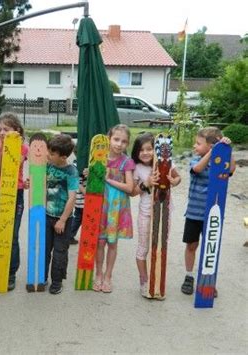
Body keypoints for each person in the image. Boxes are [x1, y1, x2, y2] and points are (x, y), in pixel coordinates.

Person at [180, 127, 235, 296]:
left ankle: (207, 279)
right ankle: (189, 276)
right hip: (194, 213)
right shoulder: (195, 160)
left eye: (198, 143)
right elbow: (197, 169)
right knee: (192, 245)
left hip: (213, 215)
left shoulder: (219, 163)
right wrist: (212, 152)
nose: (194, 146)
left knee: (209, 247)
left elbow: (231, 169)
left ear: (210, 145)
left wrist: (227, 150)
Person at [131, 132, 181, 297]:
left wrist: (175, 181)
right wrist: (146, 184)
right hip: (146, 213)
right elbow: (132, 192)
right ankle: (144, 280)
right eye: (141, 150)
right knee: (144, 248)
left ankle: (157, 280)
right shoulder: (137, 168)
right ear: (136, 152)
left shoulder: (166, 163)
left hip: (164, 212)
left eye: (149, 149)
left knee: (161, 246)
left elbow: (178, 177)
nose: (145, 153)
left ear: (156, 149)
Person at [93, 124, 135, 293]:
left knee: (112, 243)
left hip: (116, 209)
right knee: (100, 242)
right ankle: (98, 274)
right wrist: (91, 175)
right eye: (116, 139)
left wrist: (108, 179)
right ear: (108, 138)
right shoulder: (98, 158)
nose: (119, 144)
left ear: (128, 144)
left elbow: (130, 188)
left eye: (124, 141)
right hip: (100, 206)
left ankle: (108, 276)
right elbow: (89, 185)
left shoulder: (127, 162)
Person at [0, 112, 29, 291]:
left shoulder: (22, 147)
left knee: (11, 235)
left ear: (17, 130)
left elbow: (11, 167)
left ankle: (11, 273)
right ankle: (0, 268)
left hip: (15, 192)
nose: (2, 132)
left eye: (6, 129)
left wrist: (8, 145)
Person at [45, 134, 79, 294]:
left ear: (63, 156)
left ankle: (57, 281)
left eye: (52, 154)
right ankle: (41, 277)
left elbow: (72, 197)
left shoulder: (71, 171)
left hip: (62, 220)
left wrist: (63, 220)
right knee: (44, 249)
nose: (48, 155)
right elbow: (41, 183)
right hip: (46, 216)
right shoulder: (48, 166)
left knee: (59, 251)